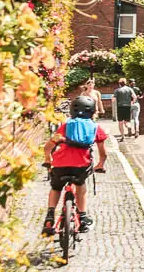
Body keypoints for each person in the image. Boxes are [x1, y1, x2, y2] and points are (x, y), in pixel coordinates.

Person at [42, 95, 108, 235]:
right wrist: (100, 165)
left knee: (56, 187)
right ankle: (83, 217)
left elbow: (48, 147)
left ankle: (49, 216)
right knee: (80, 186)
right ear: (92, 111)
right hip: (81, 166)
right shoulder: (95, 127)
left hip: (60, 164)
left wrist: (48, 160)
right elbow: (103, 154)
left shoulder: (65, 126)